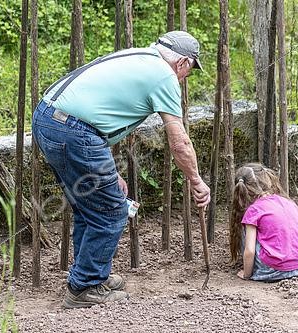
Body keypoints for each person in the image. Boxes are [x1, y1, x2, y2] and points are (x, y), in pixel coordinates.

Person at [31, 30, 210, 309]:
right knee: (112, 210)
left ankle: (88, 276)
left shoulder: (138, 56)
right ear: (183, 63)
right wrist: (197, 181)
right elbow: (180, 142)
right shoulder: (164, 76)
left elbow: (99, 111)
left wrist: (109, 172)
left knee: (88, 206)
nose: (186, 77)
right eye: (190, 71)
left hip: (48, 119)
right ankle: (85, 286)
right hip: (74, 131)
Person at [229, 163, 298, 282]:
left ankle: (254, 267)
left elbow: (250, 250)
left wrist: (246, 274)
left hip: (272, 271)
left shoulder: (253, 210)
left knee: (247, 226)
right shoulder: (288, 202)